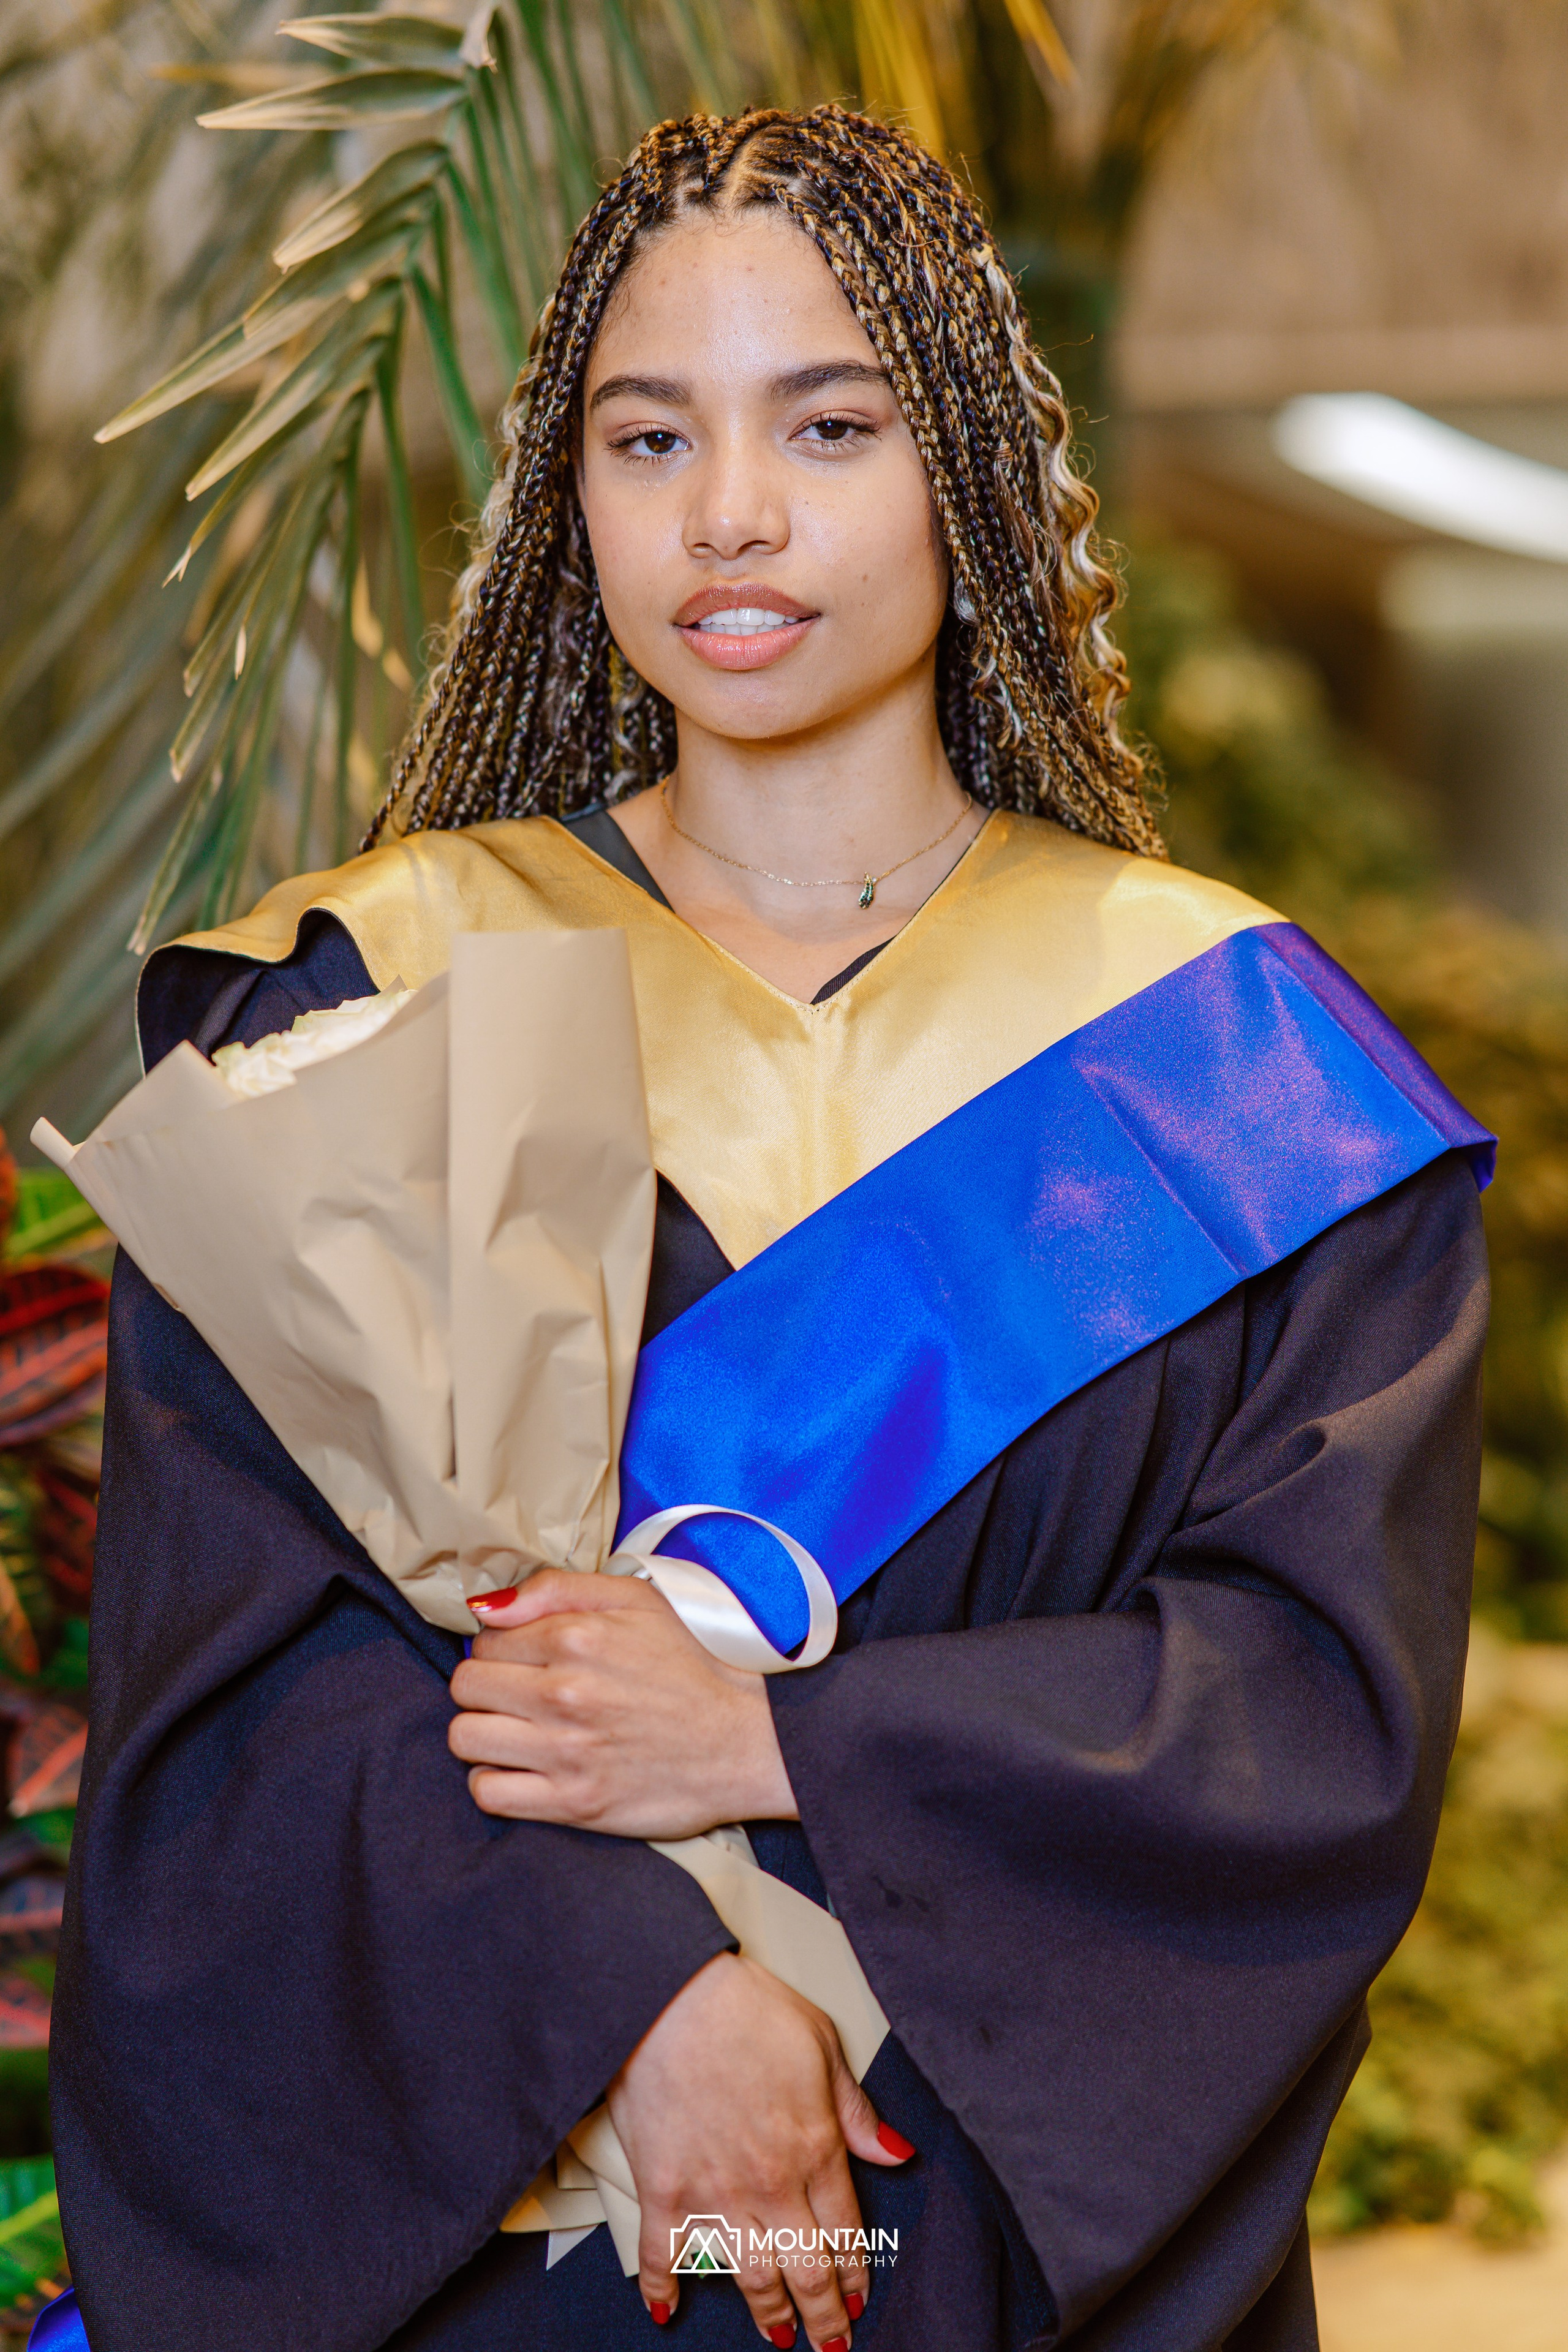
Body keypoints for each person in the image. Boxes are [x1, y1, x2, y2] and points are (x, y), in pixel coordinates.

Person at [50, 107, 1488, 2352]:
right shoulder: (359, 1008)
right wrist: (639, 2011)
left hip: (993, 2251)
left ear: (975, 478)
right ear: (572, 499)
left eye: (830, 423)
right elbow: (234, 1699)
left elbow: (1307, 1719)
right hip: (526, 2242)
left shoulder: (1234, 1070)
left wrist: (780, 1749)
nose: (730, 513)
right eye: (649, 437)